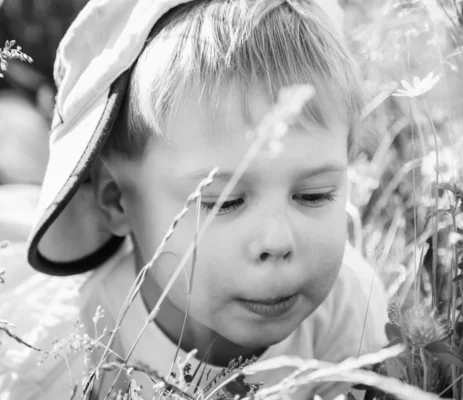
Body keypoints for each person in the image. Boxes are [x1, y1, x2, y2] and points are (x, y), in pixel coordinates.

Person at [0, 0, 388, 399]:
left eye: (314, 195)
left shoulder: (349, 314)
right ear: (117, 201)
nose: (277, 241)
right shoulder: (73, 351)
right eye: (224, 202)